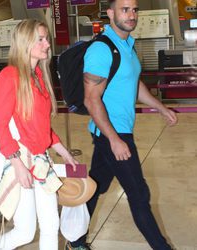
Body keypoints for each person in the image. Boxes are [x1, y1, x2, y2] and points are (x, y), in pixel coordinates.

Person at [65, 0, 178, 250]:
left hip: (117, 131)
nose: (131, 14)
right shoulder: (101, 49)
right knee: (139, 194)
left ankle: (74, 240)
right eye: (125, 9)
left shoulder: (127, 45)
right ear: (110, 13)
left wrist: (161, 108)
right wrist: (114, 139)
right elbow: (91, 99)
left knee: (94, 187)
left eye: (134, 9)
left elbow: (134, 84)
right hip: (112, 133)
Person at [0, 19, 77, 250]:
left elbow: (42, 127)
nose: (48, 43)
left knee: (50, 225)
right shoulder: (9, 76)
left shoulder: (38, 76)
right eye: (41, 39)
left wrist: (65, 153)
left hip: (40, 161)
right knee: (25, 232)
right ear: (26, 43)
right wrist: (17, 164)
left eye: (46, 38)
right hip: (21, 160)